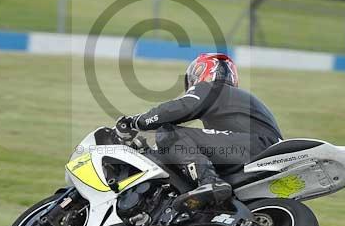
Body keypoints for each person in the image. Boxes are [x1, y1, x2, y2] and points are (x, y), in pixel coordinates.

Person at [115, 53, 283, 209]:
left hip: (255, 146)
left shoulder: (212, 88)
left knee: (169, 133)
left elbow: (176, 109)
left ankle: (209, 181)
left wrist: (136, 121)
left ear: (201, 72)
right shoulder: (233, 99)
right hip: (262, 149)